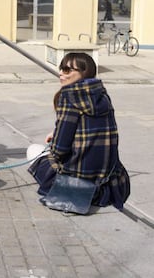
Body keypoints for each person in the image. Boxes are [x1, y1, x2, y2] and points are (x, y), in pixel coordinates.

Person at [27, 52, 130, 211]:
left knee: (33, 150)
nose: (61, 73)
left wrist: (54, 142)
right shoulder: (102, 95)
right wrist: (57, 133)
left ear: (84, 72)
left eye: (67, 70)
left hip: (77, 183)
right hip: (108, 183)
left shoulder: (69, 97)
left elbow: (59, 150)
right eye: (61, 68)